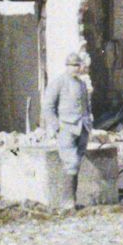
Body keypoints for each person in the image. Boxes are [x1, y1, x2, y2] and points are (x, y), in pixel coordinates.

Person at [40, 49, 94, 209]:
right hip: (66, 128)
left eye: (78, 65)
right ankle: (67, 202)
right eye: (73, 65)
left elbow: (86, 105)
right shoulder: (59, 82)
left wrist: (89, 120)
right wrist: (56, 126)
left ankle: (72, 201)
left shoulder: (82, 83)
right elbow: (48, 106)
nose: (76, 68)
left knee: (76, 162)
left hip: (82, 127)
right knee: (71, 162)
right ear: (67, 66)